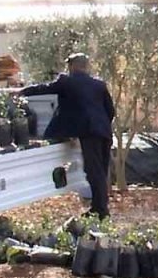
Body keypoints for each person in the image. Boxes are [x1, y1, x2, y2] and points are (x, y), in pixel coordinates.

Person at [11, 53, 117, 219]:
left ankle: (102, 211)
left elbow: (44, 89)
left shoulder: (66, 82)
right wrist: (102, 125)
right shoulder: (99, 85)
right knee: (101, 171)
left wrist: (22, 92)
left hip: (89, 132)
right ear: (86, 66)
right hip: (104, 131)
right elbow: (111, 111)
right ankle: (99, 208)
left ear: (72, 66)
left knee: (93, 171)